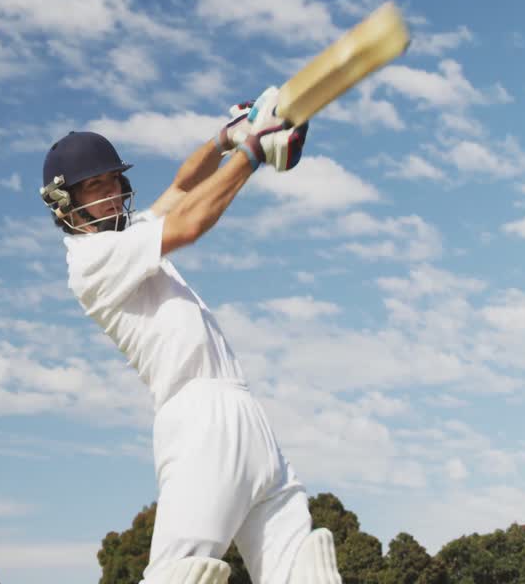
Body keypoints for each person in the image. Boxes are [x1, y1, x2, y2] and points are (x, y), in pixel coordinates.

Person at [40, 88, 342, 584]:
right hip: (199, 417)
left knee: (304, 572)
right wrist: (252, 153)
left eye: (115, 180)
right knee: (179, 576)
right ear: (64, 205)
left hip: (247, 415)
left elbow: (182, 189)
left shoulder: (127, 235)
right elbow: (191, 220)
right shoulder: (91, 262)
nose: (112, 193)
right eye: (96, 186)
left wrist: (226, 139)